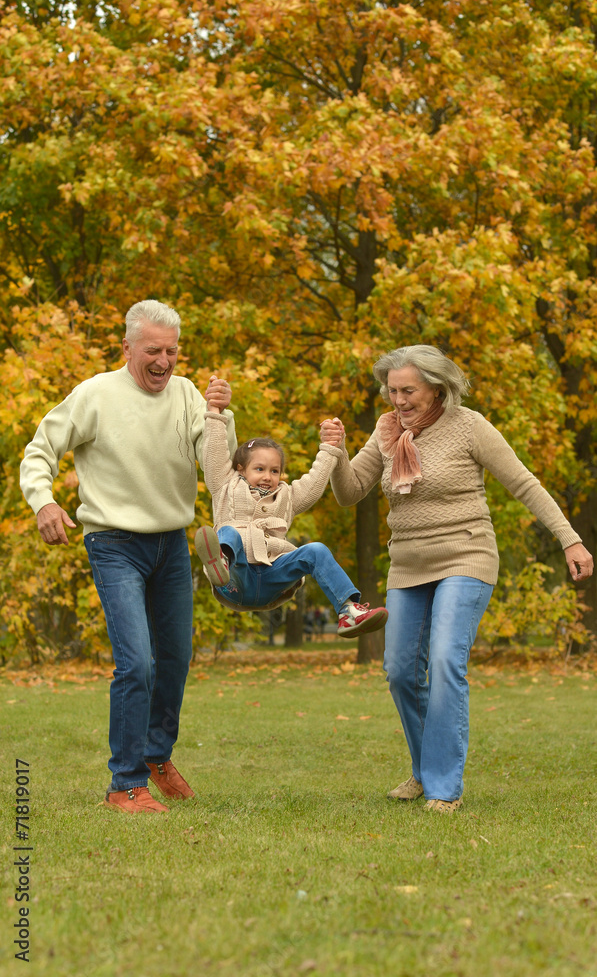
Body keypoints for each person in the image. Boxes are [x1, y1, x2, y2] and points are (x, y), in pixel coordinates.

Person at [321, 345, 593, 813]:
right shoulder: (386, 432)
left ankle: (444, 786)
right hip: (408, 563)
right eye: (392, 392)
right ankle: (424, 768)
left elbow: (524, 483)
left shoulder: (469, 426)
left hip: (467, 554)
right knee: (401, 671)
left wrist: (570, 539)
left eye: (409, 391)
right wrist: (337, 453)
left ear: (436, 386)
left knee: (446, 659)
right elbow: (349, 493)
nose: (399, 401)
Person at [20, 300, 236, 814]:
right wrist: (44, 500)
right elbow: (40, 450)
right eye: (153, 351)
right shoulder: (96, 394)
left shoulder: (186, 394)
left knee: (176, 659)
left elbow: (216, 459)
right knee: (136, 662)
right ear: (127, 348)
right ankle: (124, 784)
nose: (164, 361)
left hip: (172, 544)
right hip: (114, 543)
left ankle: (157, 756)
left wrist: (218, 414)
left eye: (172, 351)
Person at [193, 400, 388, 637]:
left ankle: (348, 611)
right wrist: (214, 411)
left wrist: (329, 447)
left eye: (275, 471)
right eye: (259, 469)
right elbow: (214, 451)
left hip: (273, 580)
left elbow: (315, 481)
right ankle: (221, 563)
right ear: (241, 469)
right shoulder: (225, 485)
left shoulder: (287, 497)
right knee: (229, 532)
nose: (268, 476)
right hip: (236, 581)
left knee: (316, 550)